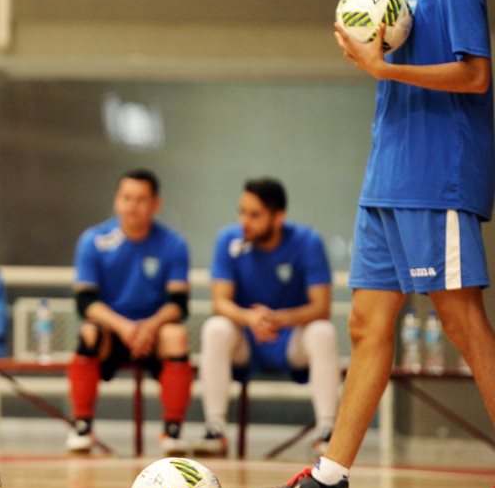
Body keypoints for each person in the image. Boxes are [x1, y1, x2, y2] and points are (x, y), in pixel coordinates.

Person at [252, 0, 495, 488]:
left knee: (463, 323)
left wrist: (382, 68)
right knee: (367, 325)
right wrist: (376, 59)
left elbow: (476, 75)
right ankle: (329, 477)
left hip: (434, 183)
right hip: (387, 183)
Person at [194, 178, 339, 458]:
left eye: (254, 215)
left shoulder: (308, 242)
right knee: (215, 328)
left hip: (291, 341)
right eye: (242, 212)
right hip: (246, 341)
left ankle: (327, 431)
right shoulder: (228, 240)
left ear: (278, 217)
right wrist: (250, 318)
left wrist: (277, 319)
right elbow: (220, 302)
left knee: (323, 331)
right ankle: (215, 429)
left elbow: (322, 307)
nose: (244, 221)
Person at [66, 169, 194, 456]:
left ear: (156, 204)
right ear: (116, 201)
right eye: (126, 198)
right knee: (88, 332)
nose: (132, 206)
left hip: (153, 333)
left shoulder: (173, 244)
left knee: (177, 336)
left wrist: (149, 326)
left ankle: (173, 431)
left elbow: (179, 303)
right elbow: (85, 302)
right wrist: (124, 327)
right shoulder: (94, 240)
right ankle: (82, 426)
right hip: (112, 332)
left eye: (140, 199)